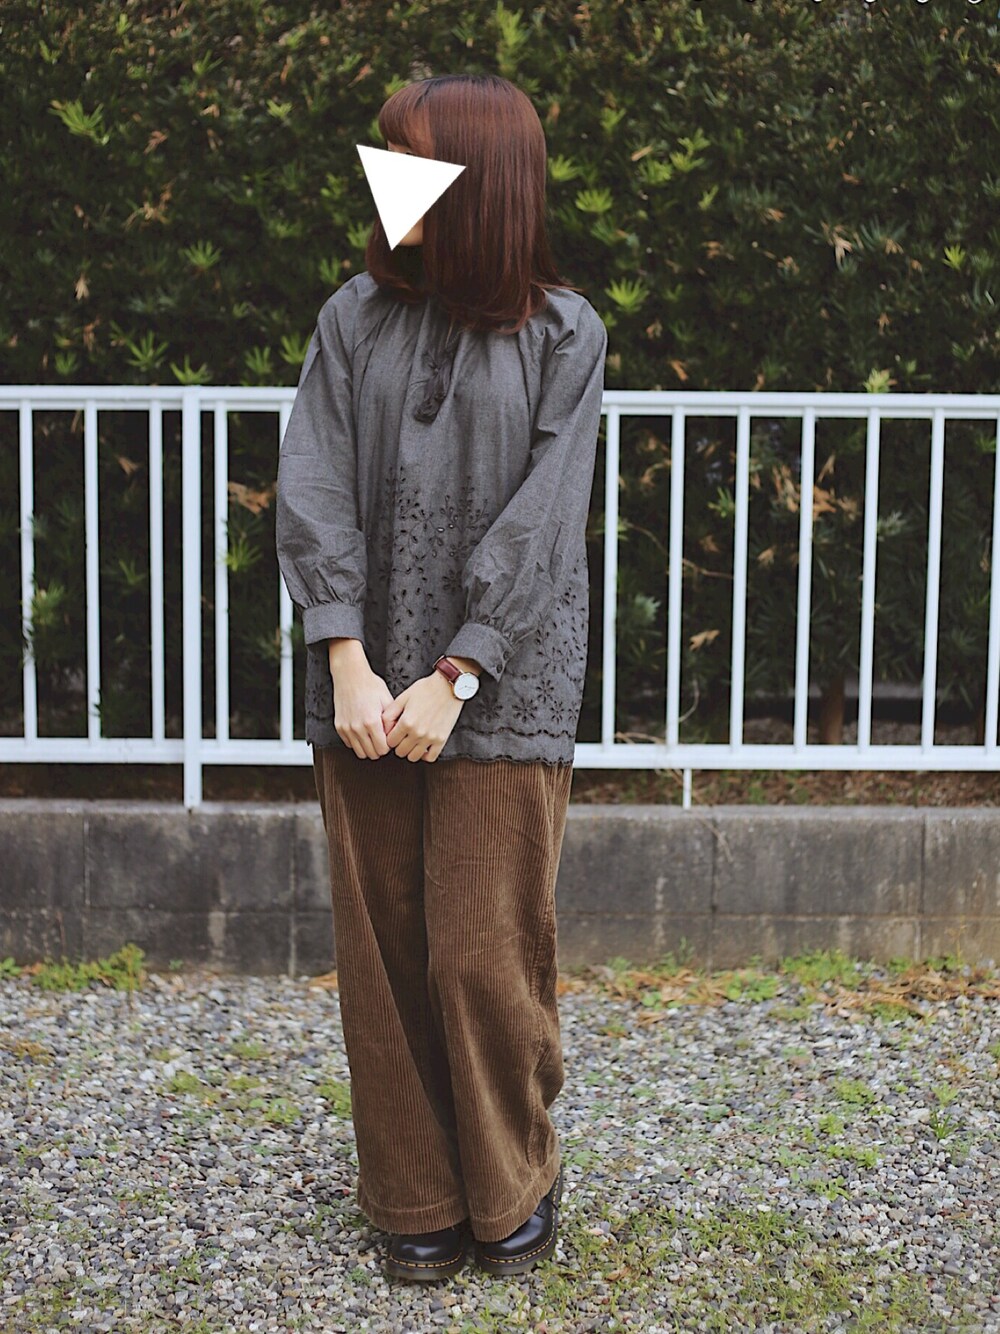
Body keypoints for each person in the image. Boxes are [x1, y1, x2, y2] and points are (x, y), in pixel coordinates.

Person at [275, 72, 608, 1282]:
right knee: (383, 956)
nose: (382, 178)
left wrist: (459, 670)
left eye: (407, 157)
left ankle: (510, 1175)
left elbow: (545, 517)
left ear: (481, 182)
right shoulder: (351, 316)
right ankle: (412, 1190)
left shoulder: (565, 334)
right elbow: (312, 479)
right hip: (363, 685)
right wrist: (346, 654)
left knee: (481, 949)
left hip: (501, 686)